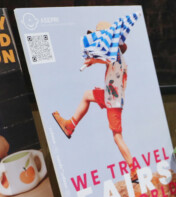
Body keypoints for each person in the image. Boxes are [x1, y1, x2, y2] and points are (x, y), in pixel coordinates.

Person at [52, 21, 137, 181]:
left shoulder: (114, 54)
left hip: (112, 99)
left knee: (117, 137)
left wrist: (93, 61)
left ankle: (133, 168)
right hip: (113, 95)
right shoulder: (118, 55)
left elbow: (108, 60)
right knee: (87, 95)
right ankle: (70, 125)